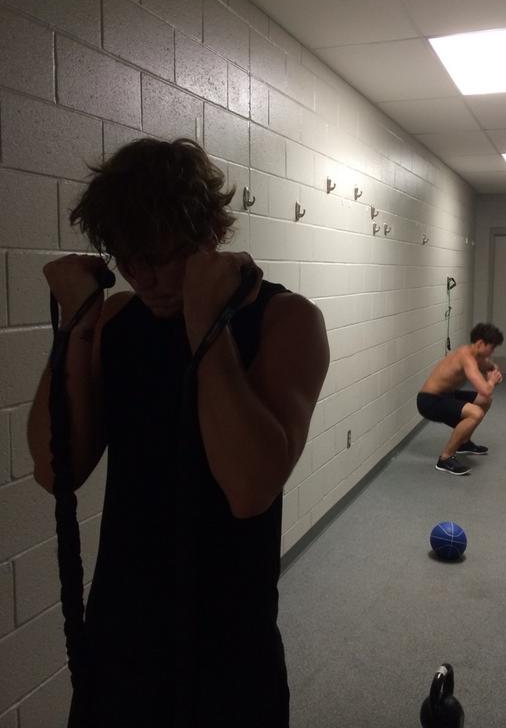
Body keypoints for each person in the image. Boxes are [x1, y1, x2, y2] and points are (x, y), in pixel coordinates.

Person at [27, 137, 330, 727]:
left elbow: (249, 489)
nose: (142, 278)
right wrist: (75, 324)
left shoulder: (286, 320)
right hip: (120, 626)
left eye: (159, 257)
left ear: (209, 233)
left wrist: (205, 320)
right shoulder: (117, 320)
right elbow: (55, 469)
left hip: (229, 635)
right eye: (126, 259)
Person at [416, 323, 504, 476]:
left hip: (447, 395)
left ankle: (464, 442)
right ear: (480, 343)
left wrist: (493, 372)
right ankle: (445, 458)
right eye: (491, 347)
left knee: (485, 402)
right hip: (429, 401)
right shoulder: (466, 357)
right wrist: (491, 381)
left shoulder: (476, 355)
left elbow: (490, 367)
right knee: (475, 413)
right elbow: (485, 390)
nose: (492, 351)